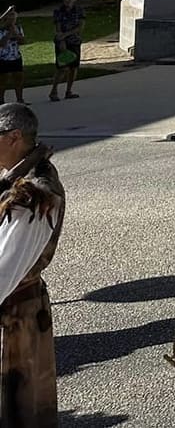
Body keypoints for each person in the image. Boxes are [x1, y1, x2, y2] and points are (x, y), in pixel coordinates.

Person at [0, 103, 64, 426]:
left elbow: (4, 270)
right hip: (14, 307)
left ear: (14, 137)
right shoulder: (12, 175)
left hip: (15, 315)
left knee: (19, 410)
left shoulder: (35, 194)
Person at [47, 0, 85, 104]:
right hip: (61, 42)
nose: (67, 0)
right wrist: (62, 40)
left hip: (75, 41)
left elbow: (80, 27)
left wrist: (67, 34)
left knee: (74, 67)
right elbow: (58, 28)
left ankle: (69, 91)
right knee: (62, 68)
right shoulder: (58, 11)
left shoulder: (80, 11)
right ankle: (53, 91)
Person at [0, 9, 24, 104]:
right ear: (6, 19)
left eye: (14, 19)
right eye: (10, 18)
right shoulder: (1, 30)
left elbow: (22, 41)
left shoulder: (18, 28)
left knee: (19, 79)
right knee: (2, 82)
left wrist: (16, 34)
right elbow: (2, 44)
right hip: (3, 58)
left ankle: (20, 99)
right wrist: (9, 33)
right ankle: (1, 101)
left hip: (16, 57)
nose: (12, 21)